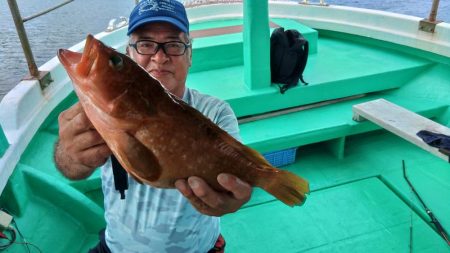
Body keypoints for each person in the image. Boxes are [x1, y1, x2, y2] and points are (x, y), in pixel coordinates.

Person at [54, 1, 252, 252]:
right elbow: (71, 170)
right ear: (130, 53)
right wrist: (71, 155)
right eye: (146, 44)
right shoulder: (101, 107)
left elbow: (239, 176)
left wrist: (235, 198)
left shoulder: (216, 112)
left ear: (190, 55)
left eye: (173, 44)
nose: (159, 57)